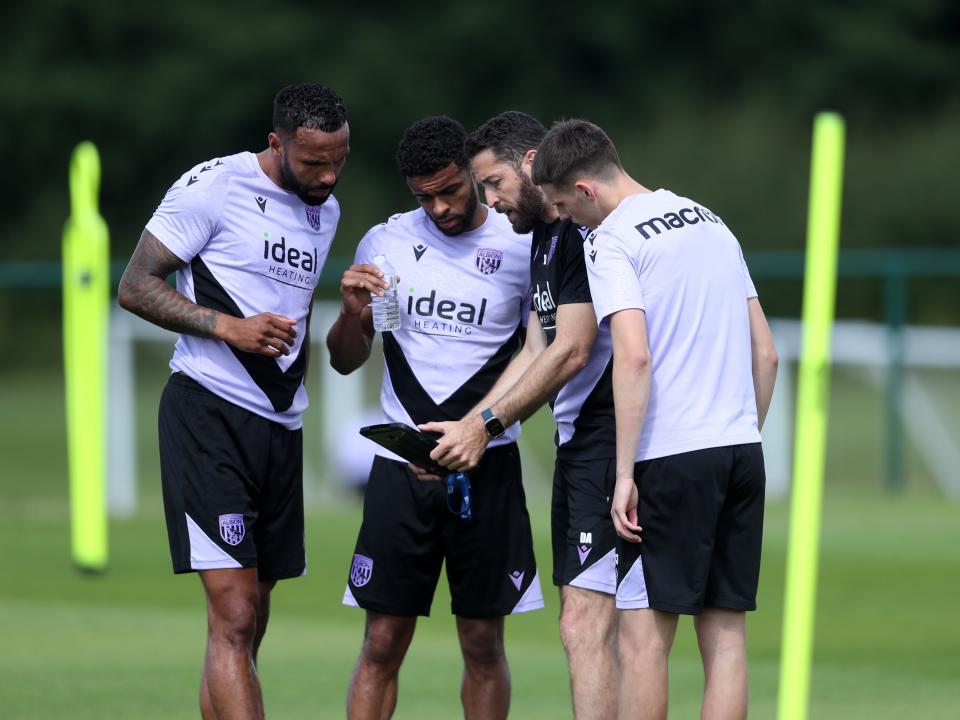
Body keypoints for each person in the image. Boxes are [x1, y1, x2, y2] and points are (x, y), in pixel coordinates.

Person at [531, 119, 779, 720]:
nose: (564, 218)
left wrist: (623, 475)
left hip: (670, 456)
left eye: (563, 205)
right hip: (741, 450)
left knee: (643, 642)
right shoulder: (709, 220)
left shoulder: (611, 239)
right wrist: (741, 433)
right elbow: (766, 353)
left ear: (585, 190)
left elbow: (633, 356)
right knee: (726, 640)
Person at [118, 84, 349, 720]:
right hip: (208, 413)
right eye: (314, 162)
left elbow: (296, 314)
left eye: (339, 160)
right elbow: (134, 286)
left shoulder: (325, 211)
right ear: (276, 143)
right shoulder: (215, 187)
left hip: (280, 429)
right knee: (235, 613)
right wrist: (228, 328)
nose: (329, 176)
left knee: (249, 619)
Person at [326, 115, 543, 720]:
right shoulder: (385, 243)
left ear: (473, 175)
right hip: (402, 470)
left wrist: (482, 428)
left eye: (450, 190)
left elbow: (542, 354)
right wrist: (350, 315)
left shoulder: (520, 243)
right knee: (381, 641)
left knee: (483, 642)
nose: (441, 207)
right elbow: (346, 360)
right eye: (425, 197)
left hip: (489, 463)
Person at [418, 111, 620, 720]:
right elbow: (535, 349)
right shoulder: (542, 237)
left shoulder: (583, 232)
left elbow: (572, 349)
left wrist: (484, 428)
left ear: (530, 163)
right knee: (597, 623)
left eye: (494, 183)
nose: (490, 201)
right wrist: (467, 427)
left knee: (589, 624)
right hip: (579, 445)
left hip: (611, 442)